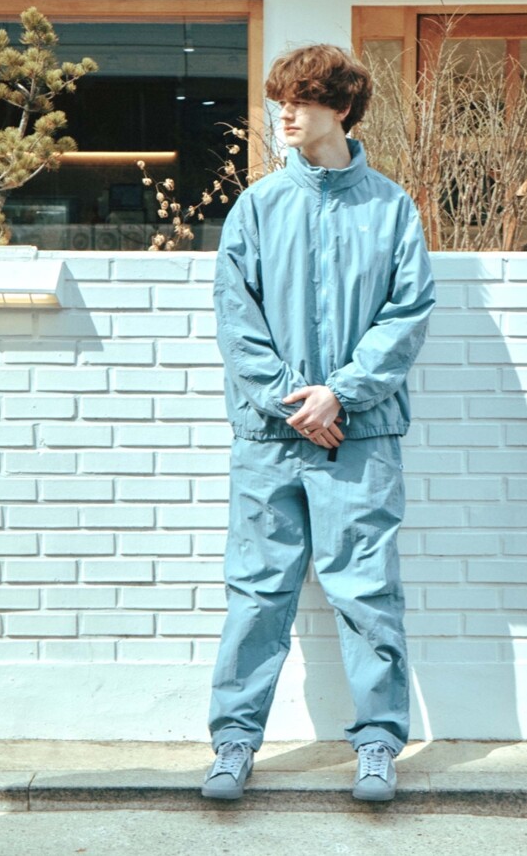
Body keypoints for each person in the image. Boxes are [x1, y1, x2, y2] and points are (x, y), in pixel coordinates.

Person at [202, 44, 435, 803]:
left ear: (340, 107)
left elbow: (407, 314)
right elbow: (236, 320)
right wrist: (297, 404)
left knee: (367, 593)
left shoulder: (391, 208)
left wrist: (342, 395)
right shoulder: (258, 207)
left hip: (360, 438)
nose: (285, 115)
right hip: (269, 439)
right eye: (281, 102)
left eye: (300, 100)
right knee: (256, 593)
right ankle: (234, 743)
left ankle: (378, 746)